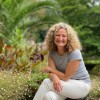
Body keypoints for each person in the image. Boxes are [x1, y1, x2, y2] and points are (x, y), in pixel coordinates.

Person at [33, 22, 91, 100]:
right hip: (65, 84)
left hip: (81, 86)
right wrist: (54, 76)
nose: (60, 38)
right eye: (57, 35)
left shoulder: (74, 52)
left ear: (68, 38)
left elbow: (66, 77)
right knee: (49, 96)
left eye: (64, 36)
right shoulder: (52, 53)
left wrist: (49, 69)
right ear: (53, 37)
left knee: (47, 83)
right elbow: (51, 74)